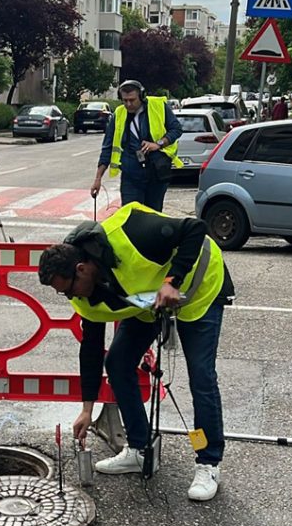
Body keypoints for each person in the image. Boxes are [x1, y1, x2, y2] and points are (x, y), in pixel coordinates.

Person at [37, 202, 235, 501]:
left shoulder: (133, 233)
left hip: (201, 285)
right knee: (117, 363)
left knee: (201, 376)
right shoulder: (85, 293)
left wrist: (172, 281)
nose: (68, 297)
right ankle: (140, 450)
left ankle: (208, 463)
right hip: (148, 301)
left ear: (81, 269)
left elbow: (196, 228)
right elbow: (91, 350)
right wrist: (87, 409)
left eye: (67, 289)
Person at [90, 80, 183, 212]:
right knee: (131, 214)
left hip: (156, 174)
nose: (128, 104)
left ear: (141, 96)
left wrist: (158, 144)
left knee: (153, 216)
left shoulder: (158, 106)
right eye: (125, 100)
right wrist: (98, 179)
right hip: (131, 176)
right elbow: (107, 148)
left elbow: (176, 129)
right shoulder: (118, 114)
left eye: (132, 100)